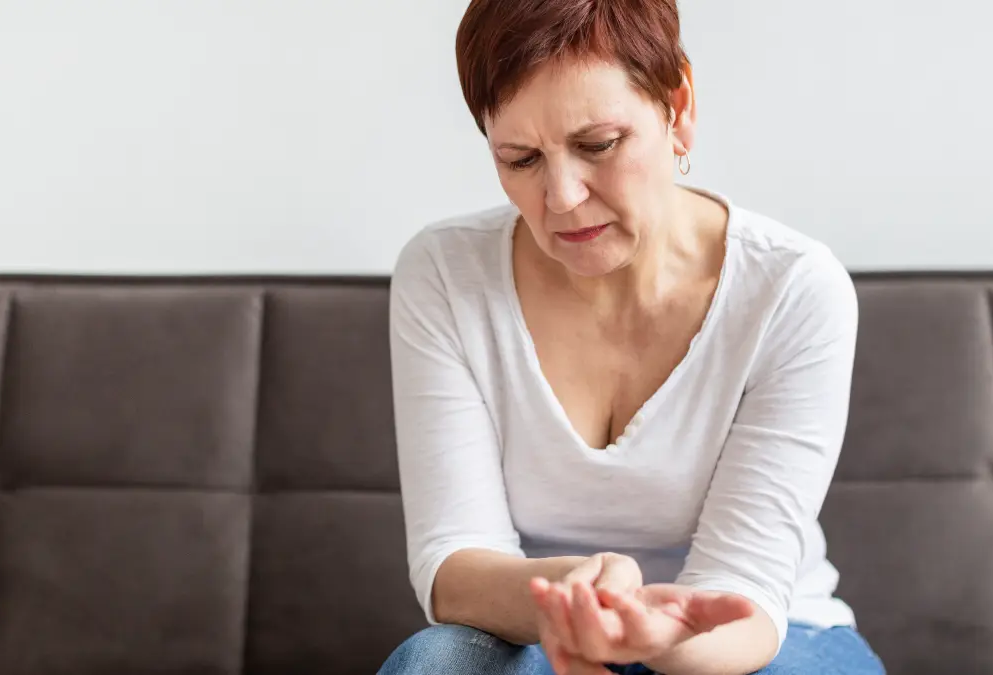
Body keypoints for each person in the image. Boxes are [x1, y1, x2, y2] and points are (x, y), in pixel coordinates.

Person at [379, 1, 885, 673]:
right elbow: (454, 565)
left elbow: (746, 595)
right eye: (521, 158)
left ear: (679, 105)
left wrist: (650, 632)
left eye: (597, 145)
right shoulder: (443, 273)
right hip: (534, 627)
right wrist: (577, 602)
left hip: (759, 638)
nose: (560, 196)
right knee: (438, 663)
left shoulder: (792, 288)